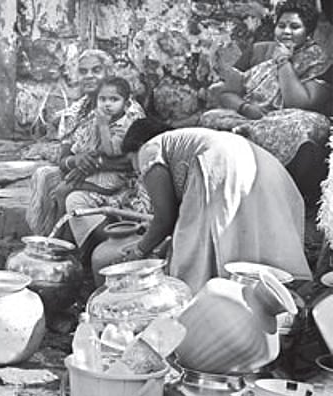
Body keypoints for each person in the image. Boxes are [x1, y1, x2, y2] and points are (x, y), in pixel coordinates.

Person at [121, 118, 312, 294]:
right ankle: (266, 300)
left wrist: (139, 251)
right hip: (259, 162)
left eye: (131, 162)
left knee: (191, 265)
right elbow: (175, 220)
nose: (137, 171)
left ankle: (204, 309)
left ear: (138, 146)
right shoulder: (189, 142)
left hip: (221, 163)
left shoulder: (149, 149)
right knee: (252, 249)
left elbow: (165, 218)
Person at [200, 0, 332, 205]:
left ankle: (282, 194)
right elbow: (227, 92)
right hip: (253, 114)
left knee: (298, 125)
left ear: (308, 32)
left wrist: (283, 62)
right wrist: (246, 107)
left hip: (289, 117)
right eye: (282, 25)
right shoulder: (260, 51)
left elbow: (299, 102)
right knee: (210, 118)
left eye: (295, 27)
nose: (286, 31)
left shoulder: (319, 59)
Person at [26, 50, 148, 260]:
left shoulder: (129, 111)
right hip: (86, 171)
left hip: (121, 180)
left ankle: (77, 251)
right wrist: (76, 162)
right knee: (45, 176)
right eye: (83, 71)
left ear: (108, 73)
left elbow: (133, 159)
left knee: (65, 191)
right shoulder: (76, 111)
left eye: (96, 70)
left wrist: (95, 163)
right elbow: (63, 157)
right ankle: (53, 245)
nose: (89, 76)